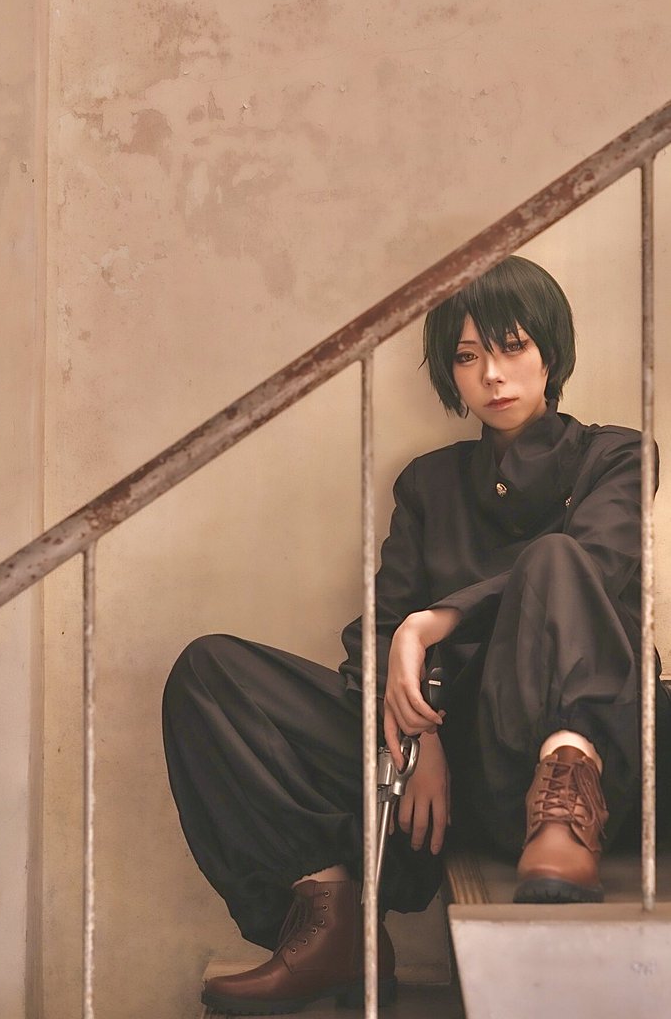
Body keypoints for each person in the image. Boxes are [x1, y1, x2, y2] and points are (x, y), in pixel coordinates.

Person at [162, 256, 671, 1016]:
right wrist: (417, 731)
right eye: (467, 357)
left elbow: (597, 563)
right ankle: (330, 917)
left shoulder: (618, 456)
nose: (492, 374)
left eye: (512, 346)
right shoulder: (428, 484)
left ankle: (567, 805)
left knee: (557, 561)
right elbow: (378, 633)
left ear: (551, 352)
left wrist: (438, 619)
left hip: (567, 760)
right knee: (210, 673)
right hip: (451, 762)